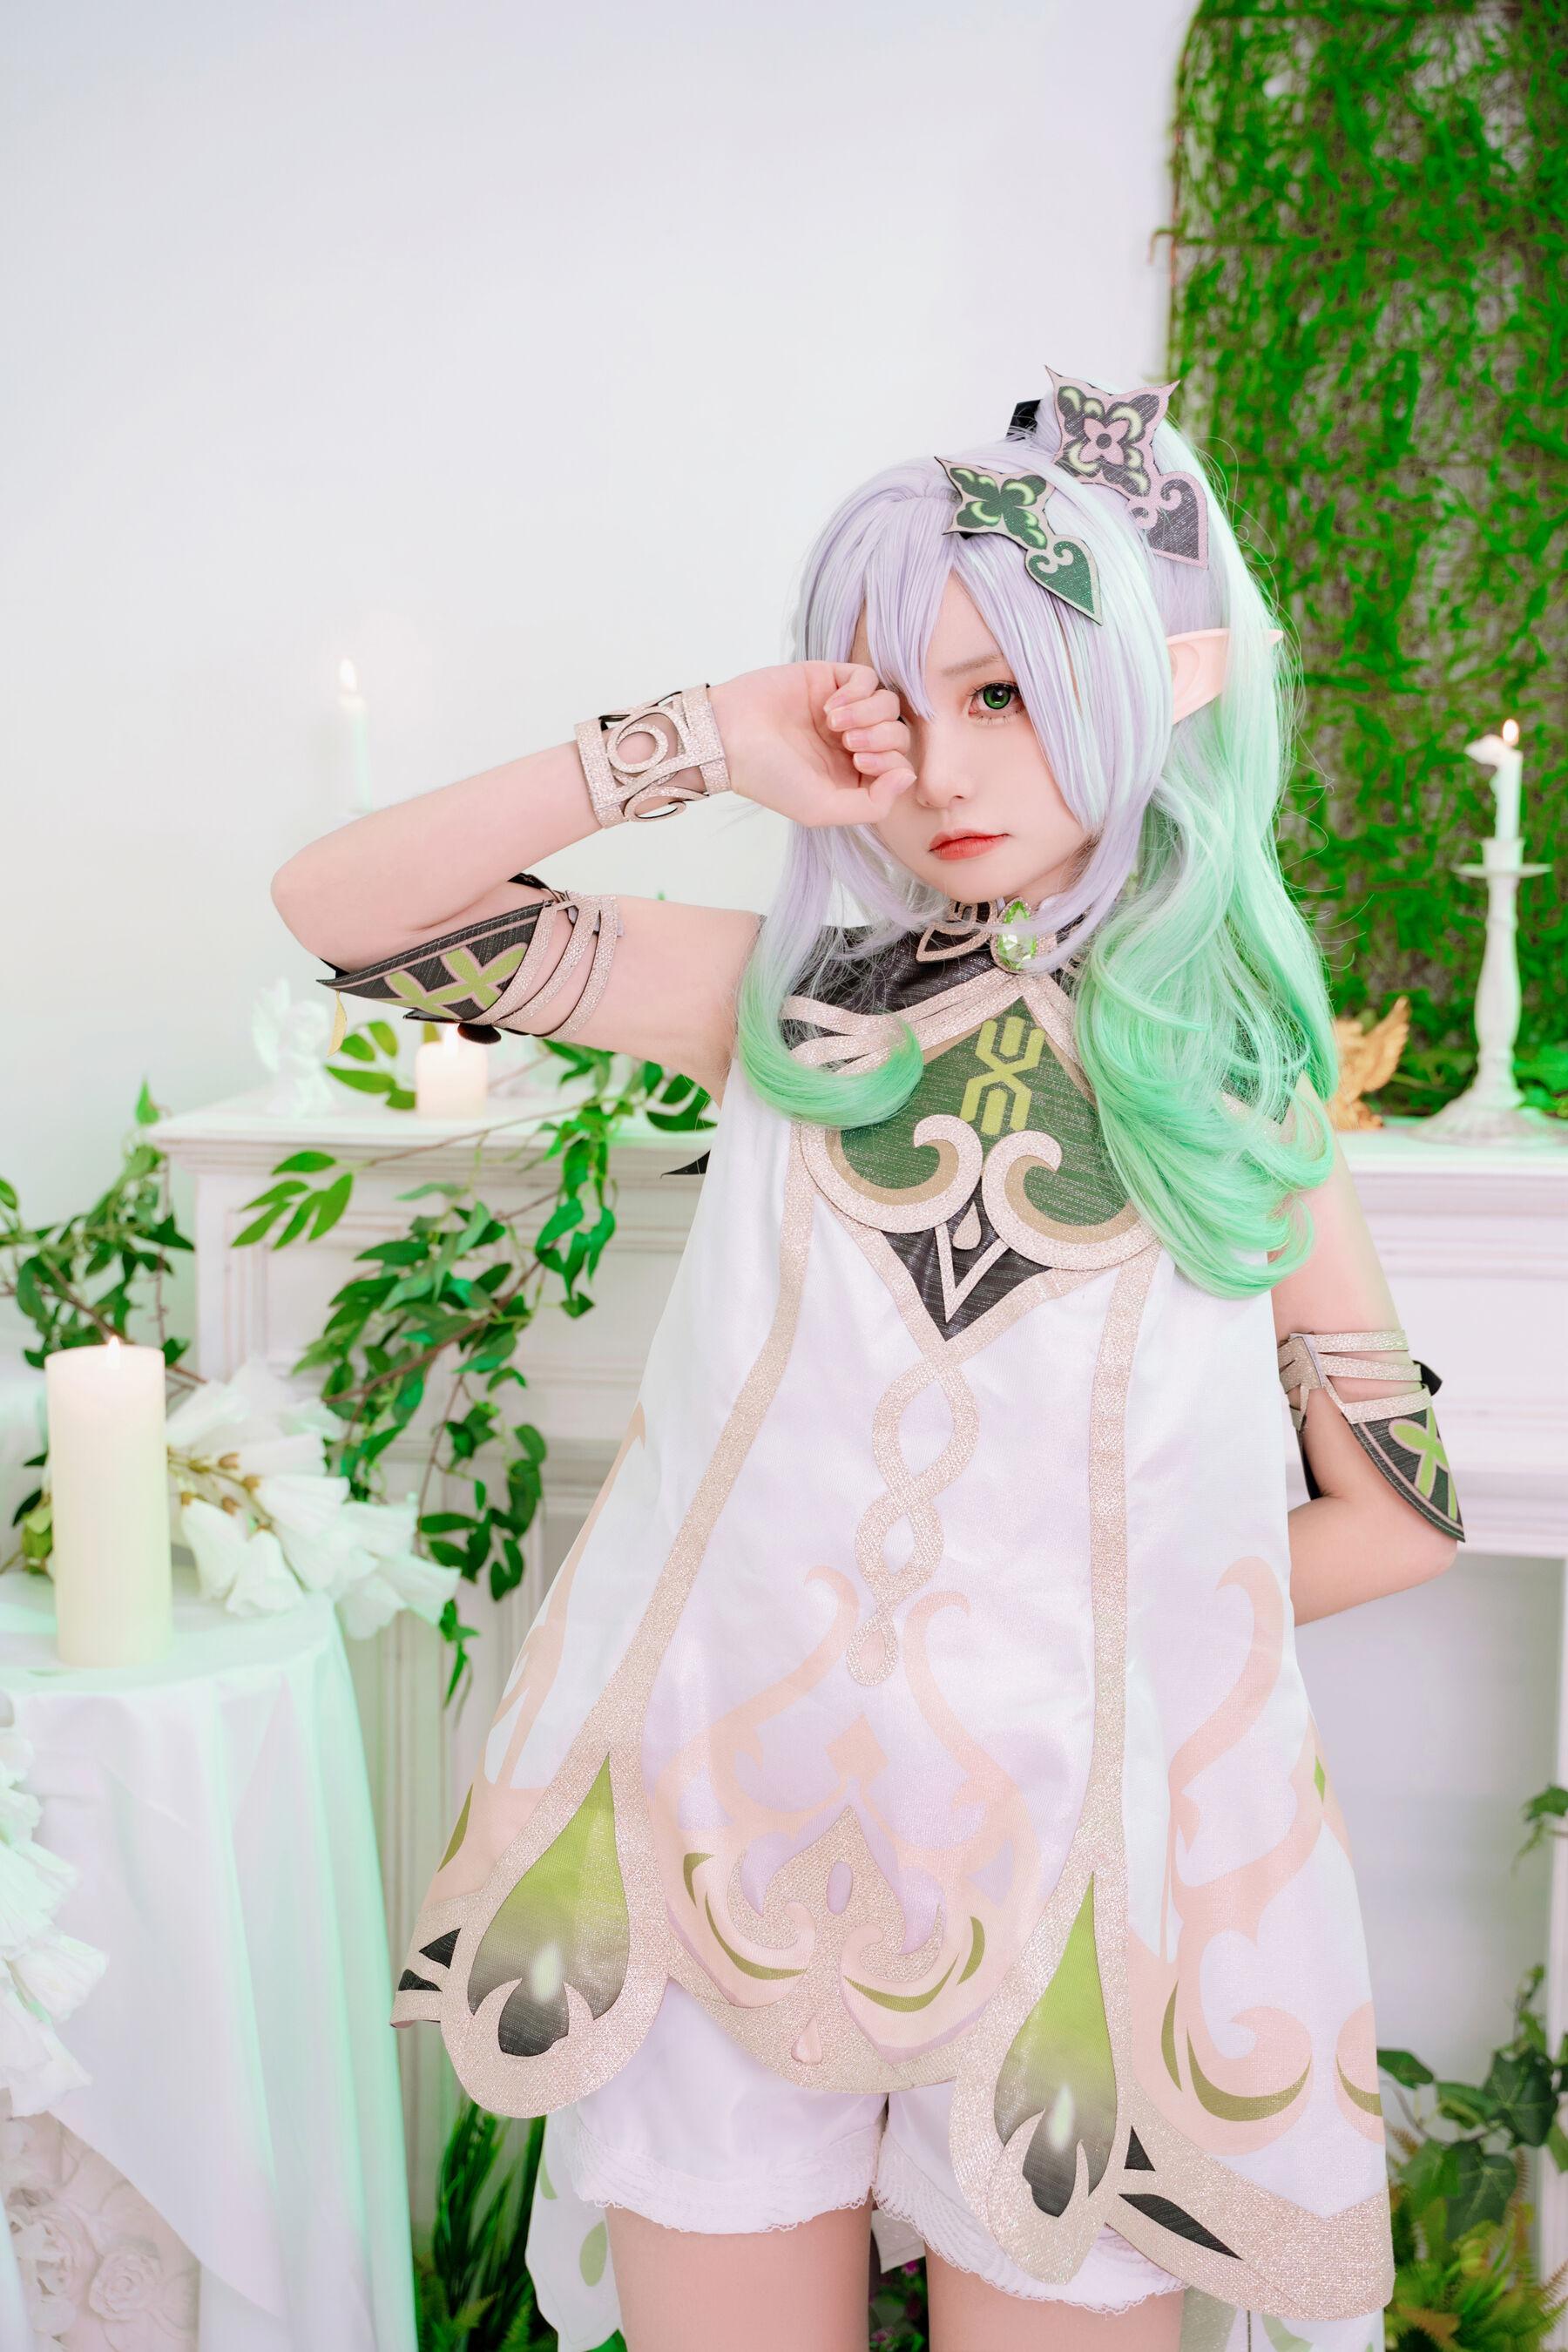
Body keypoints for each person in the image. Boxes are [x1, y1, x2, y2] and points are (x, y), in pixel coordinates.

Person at [271, 368, 1463, 2352]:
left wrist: (1101, 1621)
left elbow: (1401, 1515)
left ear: (1147, 688)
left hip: (1071, 1892)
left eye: (1004, 693)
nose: (942, 768)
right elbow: (343, 912)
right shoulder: (786, 1001)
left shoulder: (1236, 1085)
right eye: (897, 703)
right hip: (712, 1846)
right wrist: (706, 739)